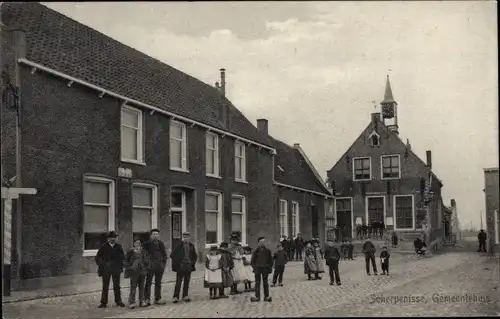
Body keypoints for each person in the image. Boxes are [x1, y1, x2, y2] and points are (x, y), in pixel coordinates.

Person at [95, 231, 125, 308]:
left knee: (117, 286)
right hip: (106, 269)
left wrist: (119, 266)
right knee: (105, 286)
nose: (112, 239)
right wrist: (102, 264)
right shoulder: (103, 247)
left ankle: (118, 301)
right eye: (111, 238)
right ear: (108, 239)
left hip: (116, 269)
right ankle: (103, 302)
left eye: (114, 237)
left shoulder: (119, 246)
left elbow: (122, 257)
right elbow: (97, 257)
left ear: (116, 238)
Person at [170, 232, 197, 303]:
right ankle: (175, 297)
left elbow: (195, 256)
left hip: (188, 266)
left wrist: (192, 263)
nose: (186, 239)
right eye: (184, 237)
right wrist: (178, 263)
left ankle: (185, 296)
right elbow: (172, 255)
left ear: (189, 238)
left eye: (187, 237)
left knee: (187, 281)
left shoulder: (191, 245)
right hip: (180, 266)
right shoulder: (178, 245)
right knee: (178, 282)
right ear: (182, 238)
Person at [143, 228, 168, 306]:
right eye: (154, 234)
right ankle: (147, 299)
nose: (155, 236)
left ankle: (158, 298)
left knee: (158, 282)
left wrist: (163, 264)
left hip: (159, 266)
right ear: (151, 235)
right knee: (148, 282)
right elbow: (144, 255)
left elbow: (165, 255)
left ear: (158, 235)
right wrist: (147, 264)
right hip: (150, 266)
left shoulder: (161, 243)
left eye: (156, 234)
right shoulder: (147, 244)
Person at [124, 237, 151, 309]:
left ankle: (142, 301)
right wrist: (130, 268)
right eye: (136, 243)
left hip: (142, 272)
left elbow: (148, 259)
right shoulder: (130, 252)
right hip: (134, 272)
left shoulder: (144, 251)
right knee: (133, 287)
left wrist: (146, 268)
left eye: (139, 243)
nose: (137, 244)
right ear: (133, 244)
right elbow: (125, 261)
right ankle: (132, 302)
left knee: (142, 287)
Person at [250, 236, 273, 302]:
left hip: (265, 269)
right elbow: (252, 261)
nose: (262, 243)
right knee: (257, 283)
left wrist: (269, 267)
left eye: (264, 242)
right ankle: (257, 296)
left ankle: (266, 296)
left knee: (265, 282)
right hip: (257, 269)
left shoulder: (268, 251)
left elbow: (270, 260)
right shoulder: (256, 251)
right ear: (258, 243)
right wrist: (255, 267)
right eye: (261, 242)